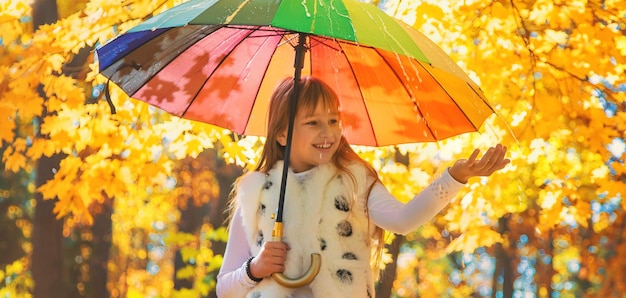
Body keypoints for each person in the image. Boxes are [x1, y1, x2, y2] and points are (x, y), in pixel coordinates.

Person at [216, 76, 509, 297]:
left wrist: (454, 178)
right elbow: (224, 288)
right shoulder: (256, 192)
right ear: (282, 134)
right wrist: (254, 269)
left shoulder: (354, 180)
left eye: (333, 120)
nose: (327, 132)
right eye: (313, 122)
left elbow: (403, 220)